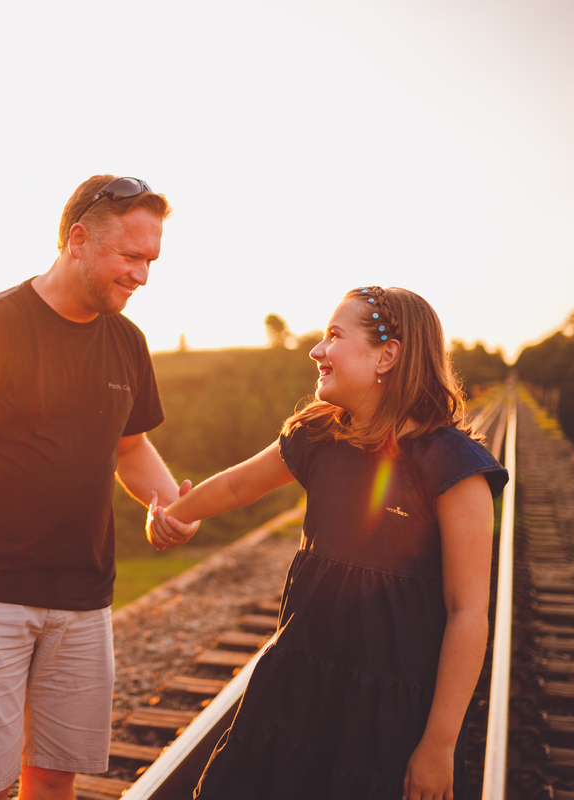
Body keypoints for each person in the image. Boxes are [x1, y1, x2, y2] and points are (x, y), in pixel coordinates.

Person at [0, 175, 199, 800]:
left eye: (151, 260)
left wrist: (171, 504)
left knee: (56, 777)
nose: (142, 275)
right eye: (131, 256)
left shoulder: (127, 341)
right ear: (78, 240)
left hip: (85, 601)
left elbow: (130, 447)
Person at [150, 287, 508, 800]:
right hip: (295, 685)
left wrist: (439, 744)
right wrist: (173, 517)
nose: (316, 351)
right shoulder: (319, 435)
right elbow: (237, 486)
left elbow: (467, 612)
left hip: (387, 713)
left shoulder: (453, 468)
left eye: (334, 336)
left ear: (387, 355)